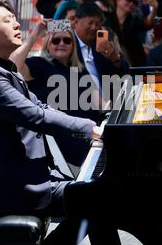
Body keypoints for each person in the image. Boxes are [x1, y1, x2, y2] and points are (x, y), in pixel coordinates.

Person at [0, 0, 111, 245]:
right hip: (11, 187)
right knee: (97, 201)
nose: (17, 25)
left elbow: (41, 107)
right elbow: (35, 116)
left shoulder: (2, 68)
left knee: (97, 200)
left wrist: (91, 127)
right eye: (8, 21)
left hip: (29, 174)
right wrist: (90, 129)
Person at [10, 21, 102, 173]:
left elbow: (100, 103)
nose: (61, 43)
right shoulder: (38, 64)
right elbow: (11, 68)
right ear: (48, 43)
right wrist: (33, 36)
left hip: (91, 141)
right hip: (64, 152)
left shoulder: (79, 69)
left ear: (73, 45)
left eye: (67, 40)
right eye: (56, 40)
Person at [72, 1, 129, 100]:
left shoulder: (102, 44)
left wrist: (115, 58)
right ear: (76, 22)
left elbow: (124, 74)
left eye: (97, 24)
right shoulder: (66, 44)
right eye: (90, 23)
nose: (94, 28)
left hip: (108, 106)